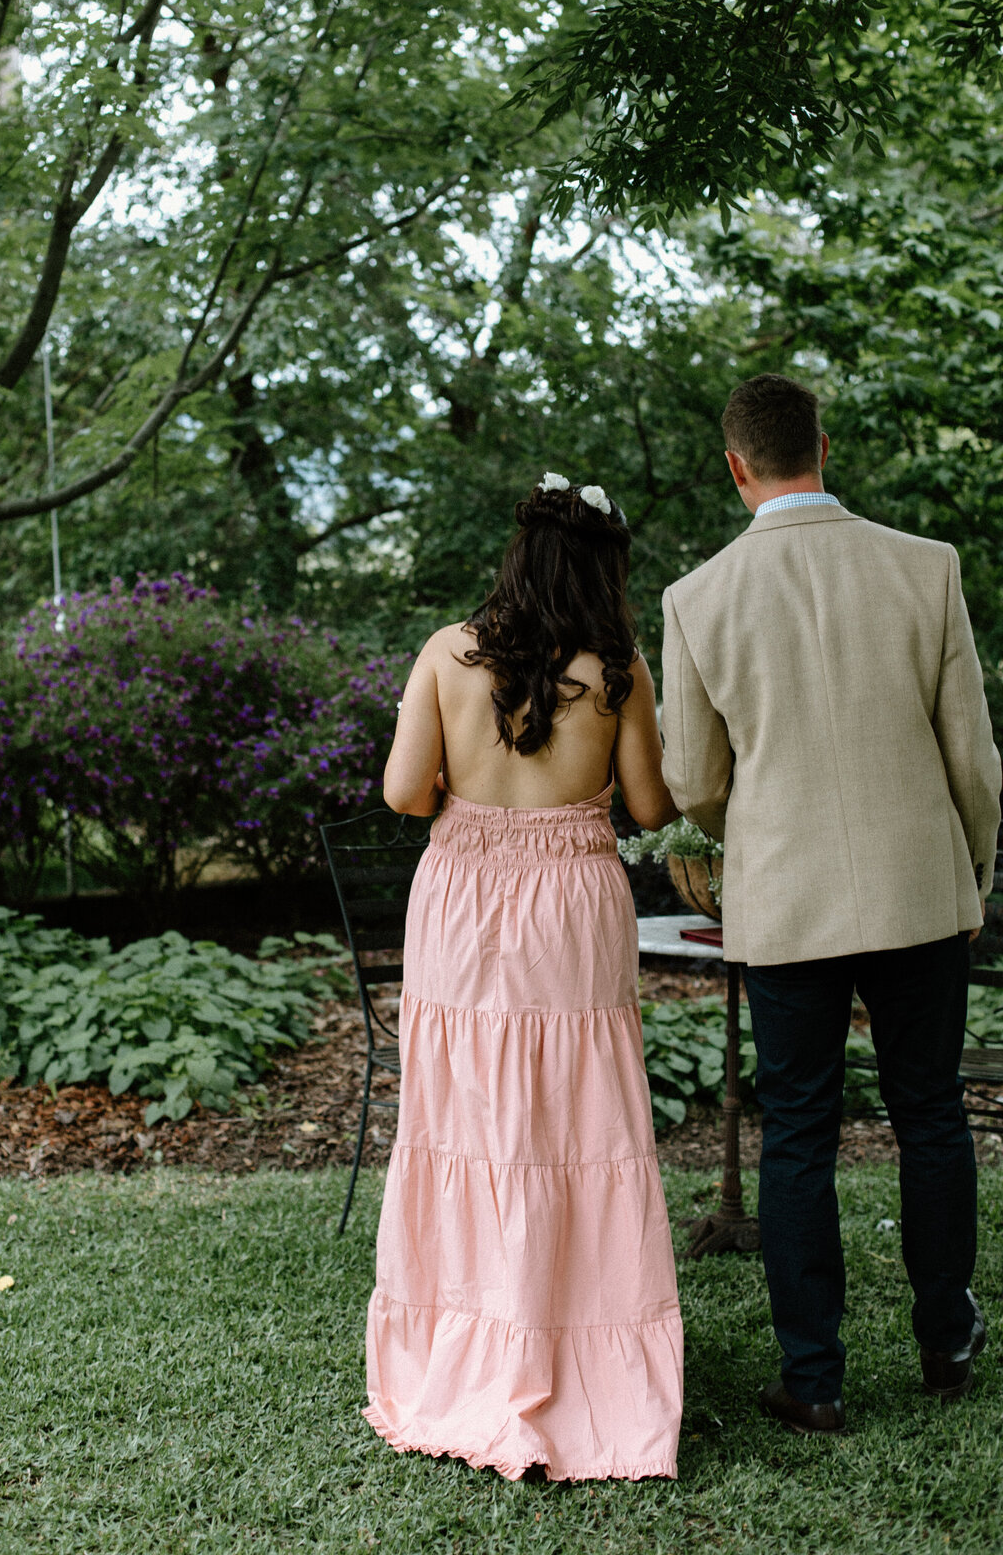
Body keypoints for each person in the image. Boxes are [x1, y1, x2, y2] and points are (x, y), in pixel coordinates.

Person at [660, 371, 1001, 1435]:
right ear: (824, 444)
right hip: (919, 890)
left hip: (789, 899)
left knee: (799, 1131)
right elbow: (975, 762)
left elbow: (691, 779)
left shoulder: (698, 597)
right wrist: (971, 871)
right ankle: (945, 1339)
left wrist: (751, 834)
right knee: (931, 1113)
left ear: (736, 467)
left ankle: (814, 1378)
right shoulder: (926, 567)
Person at [364, 474, 684, 1483]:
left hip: (461, 900)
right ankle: (574, 1353)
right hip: (571, 903)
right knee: (578, 1120)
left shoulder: (445, 655)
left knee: (465, 1118)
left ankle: (468, 1345)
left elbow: (405, 794)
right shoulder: (617, 668)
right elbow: (648, 802)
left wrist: (479, 784)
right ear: (601, 570)